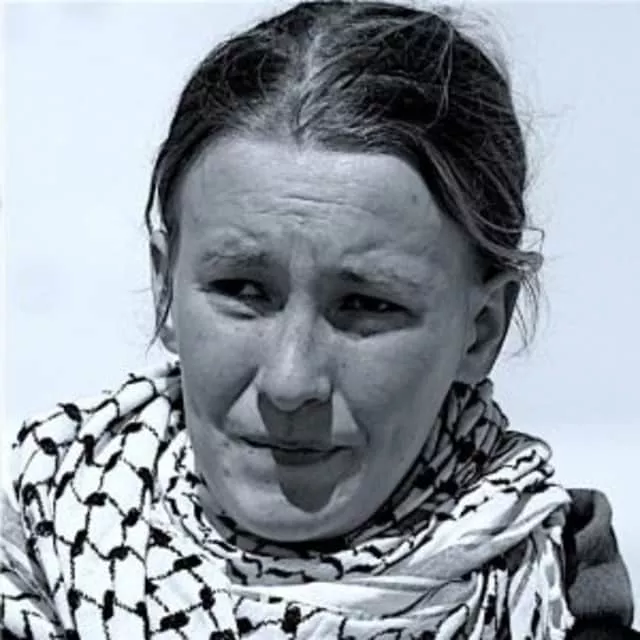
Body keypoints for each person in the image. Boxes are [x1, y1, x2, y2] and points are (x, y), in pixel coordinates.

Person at [1, 1, 637, 638]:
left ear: (483, 329)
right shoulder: (37, 561)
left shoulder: (546, 606)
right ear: (165, 286)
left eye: (367, 305)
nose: (290, 382)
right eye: (242, 290)